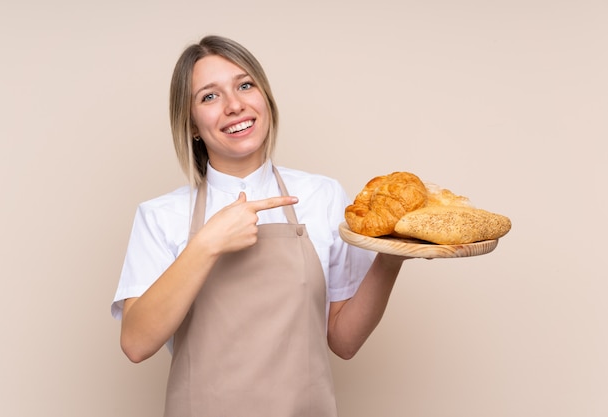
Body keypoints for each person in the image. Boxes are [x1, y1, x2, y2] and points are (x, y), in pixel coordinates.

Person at [111, 35, 408, 416]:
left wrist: (392, 257)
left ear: (265, 98)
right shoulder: (161, 216)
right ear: (192, 126)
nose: (235, 105)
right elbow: (136, 343)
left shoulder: (322, 196)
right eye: (209, 96)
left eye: (245, 85)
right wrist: (207, 244)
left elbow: (344, 341)